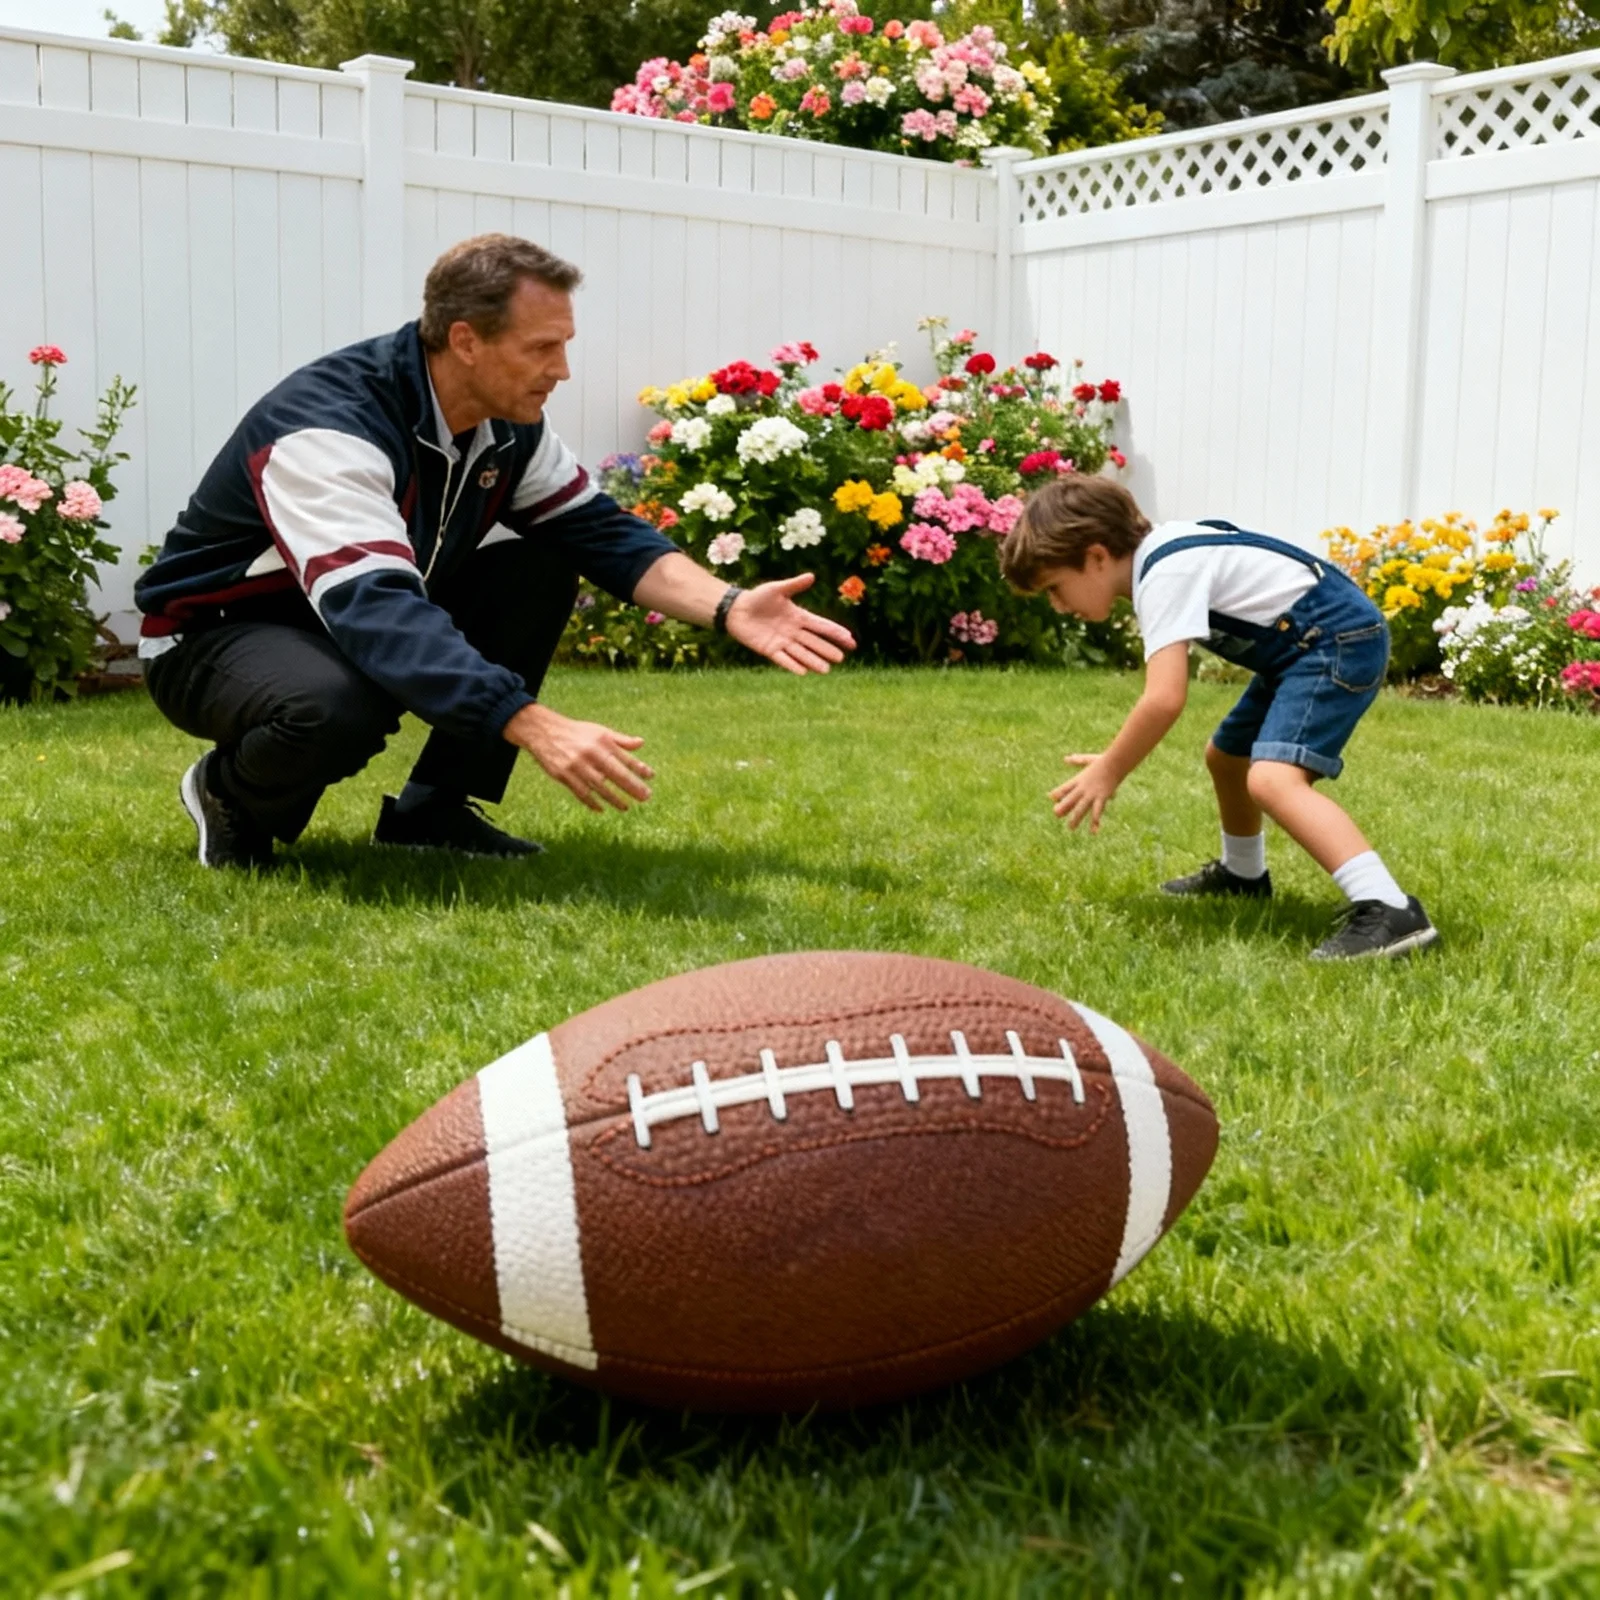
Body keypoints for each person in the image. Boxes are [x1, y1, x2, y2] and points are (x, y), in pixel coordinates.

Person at [136, 234, 853, 868]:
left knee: (536, 564)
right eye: (542, 347)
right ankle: (230, 796)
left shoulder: (508, 426)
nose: (563, 369)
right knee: (336, 704)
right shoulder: (329, 429)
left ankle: (432, 810)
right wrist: (532, 724)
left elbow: (599, 531)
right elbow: (377, 611)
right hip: (212, 640)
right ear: (466, 340)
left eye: (564, 344)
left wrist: (728, 607)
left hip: (341, 621)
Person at [997, 476, 1438, 961]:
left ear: (1097, 557)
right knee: (1227, 757)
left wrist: (1110, 769)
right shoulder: (1162, 554)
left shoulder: (1163, 573)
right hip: (1300, 650)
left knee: (1272, 780)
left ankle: (1391, 909)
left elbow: (1164, 698)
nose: (1059, 606)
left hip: (1334, 641)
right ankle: (1244, 875)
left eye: (1055, 589)